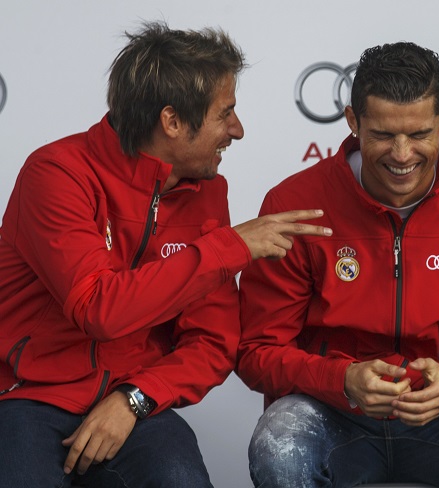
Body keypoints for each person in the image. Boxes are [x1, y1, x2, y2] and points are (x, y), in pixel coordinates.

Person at [0, 22, 330, 487]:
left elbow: (212, 341)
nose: (237, 130)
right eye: (225, 113)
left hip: (134, 403)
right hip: (27, 397)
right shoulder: (56, 173)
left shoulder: (208, 192)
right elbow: (99, 308)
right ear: (172, 121)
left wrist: (136, 398)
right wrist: (229, 247)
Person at [237, 41, 439, 488]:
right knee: (280, 448)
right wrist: (344, 380)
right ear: (353, 122)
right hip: (327, 408)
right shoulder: (294, 205)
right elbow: (257, 350)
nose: (402, 154)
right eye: (384, 135)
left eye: (419, 134)